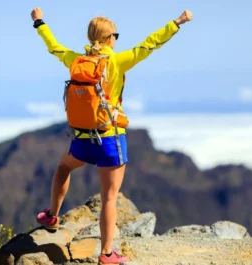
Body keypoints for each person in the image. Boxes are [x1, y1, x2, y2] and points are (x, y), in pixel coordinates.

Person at [30, 6, 193, 264]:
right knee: (109, 197)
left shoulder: (75, 60)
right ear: (108, 38)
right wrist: (177, 22)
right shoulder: (116, 61)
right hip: (109, 139)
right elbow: (149, 45)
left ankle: (52, 215)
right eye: (115, 35)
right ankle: (107, 255)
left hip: (82, 139)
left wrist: (40, 22)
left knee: (63, 167)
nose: (116, 39)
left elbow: (53, 46)